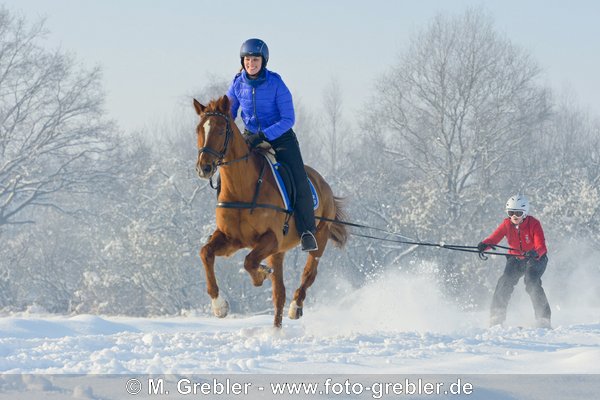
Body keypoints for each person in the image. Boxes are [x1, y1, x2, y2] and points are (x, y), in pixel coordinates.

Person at [226, 38, 318, 252]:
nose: (251, 64)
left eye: (255, 60)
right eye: (247, 60)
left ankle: (306, 230)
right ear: (243, 61)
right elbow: (229, 111)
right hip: (250, 136)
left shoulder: (276, 83)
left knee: (298, 177)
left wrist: (264, 135)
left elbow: (288, 119)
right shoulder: (238, 83)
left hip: (280, 137)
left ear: (263, 61)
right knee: (229, 169)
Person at [477, 194, 552, 328]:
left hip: (536, 259)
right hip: (516, 259)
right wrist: (484, 245)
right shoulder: (506, 224)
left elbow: (541, 246)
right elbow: (494, 239)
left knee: (531, 282)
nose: (514, 216)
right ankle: (497, 316)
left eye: (518, 213)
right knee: (505, 281)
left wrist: (535, 252)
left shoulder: (534, 224)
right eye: (511, 213)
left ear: (525, 213)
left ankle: (543, 318)